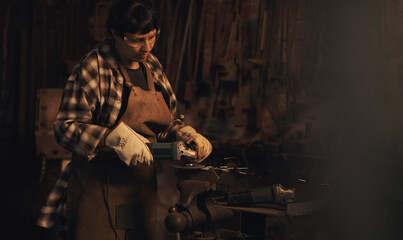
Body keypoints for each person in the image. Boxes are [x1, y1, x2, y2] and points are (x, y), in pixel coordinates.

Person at [37, 0, 212, 239]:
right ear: (116, 34)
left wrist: (186, 134)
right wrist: (112, 138)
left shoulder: (152, 65)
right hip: (98, 188)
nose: (147, 46)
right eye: (137, 40)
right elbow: (65, 128)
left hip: (139, 189)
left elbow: (166, 122)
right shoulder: (92, 68)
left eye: (152, 37)